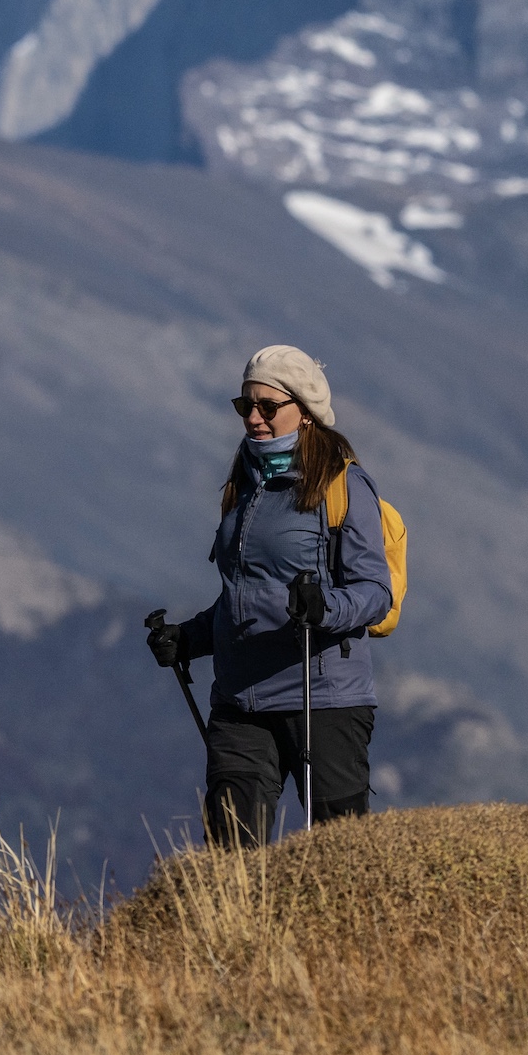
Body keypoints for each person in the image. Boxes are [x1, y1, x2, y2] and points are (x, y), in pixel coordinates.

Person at [146, 345, 388, 847]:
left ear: (304, 411)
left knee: (339, 860)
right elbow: (241, 595)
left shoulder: (343, 484)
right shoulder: (244, 483)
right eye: (244, 406)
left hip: (321, 698)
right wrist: (189, 639)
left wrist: (324, 608)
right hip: (239, 701)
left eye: (267, 407)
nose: (252, 418)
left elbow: (374, 592)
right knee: (230, 860)